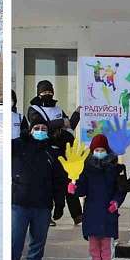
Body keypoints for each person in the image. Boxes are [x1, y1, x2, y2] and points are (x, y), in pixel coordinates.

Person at [11, 118, 67, 260]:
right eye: (37, 127)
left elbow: (59, 181)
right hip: (19, 204)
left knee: (37, 244)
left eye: (43, 128)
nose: (40, 130)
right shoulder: (18, 146)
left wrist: (59, 204)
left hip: (43, 206)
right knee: (15, 243)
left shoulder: (52, 152)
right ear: (30, 129)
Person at [69, 134, 126, 260]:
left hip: (108, 211)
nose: (99, 152)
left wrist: (116, 202)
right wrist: (73, 187)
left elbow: (120, 189)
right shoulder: (86, 167)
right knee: (94, 245)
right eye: (97, 149)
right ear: (92, 150)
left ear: (107, 150)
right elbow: (82, 190)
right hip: (92, 211)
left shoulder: (115, 167)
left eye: (102, 149)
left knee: (106, 245)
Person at [26, 80, 83, 225]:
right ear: (38, 93)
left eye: (50, 92)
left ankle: (77, 214)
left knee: (69, 181)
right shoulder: (34, 109)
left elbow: (69, 124)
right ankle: (49, 214)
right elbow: (39, 124)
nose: (47, 94)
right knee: (48, 184)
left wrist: (76, 115)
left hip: (63, 151)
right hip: (44, 151)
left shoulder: (58, 109)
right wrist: (59, 124)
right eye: (44, 92)